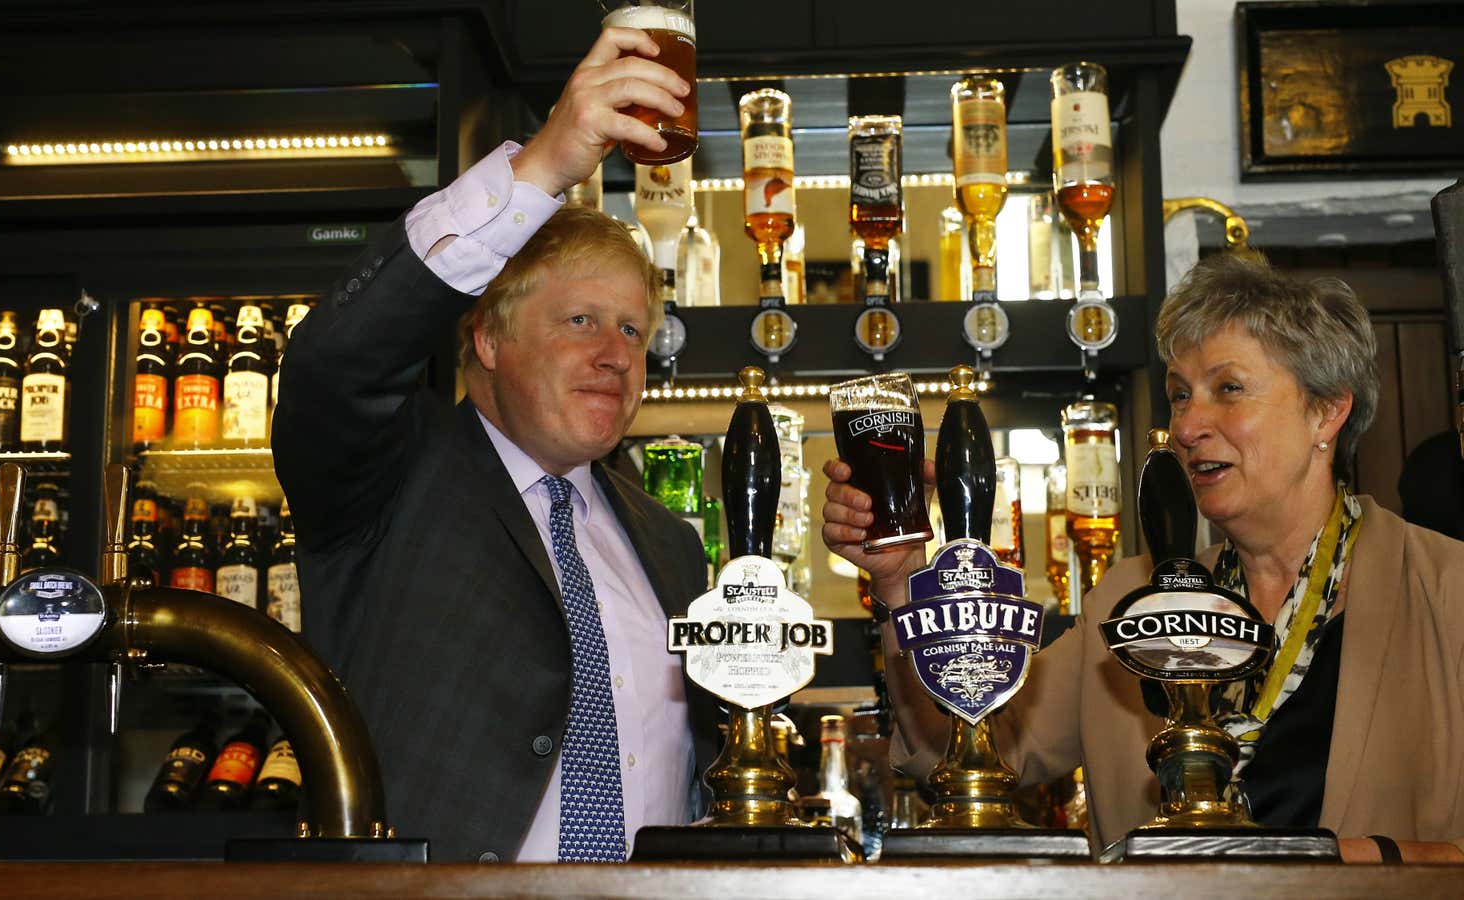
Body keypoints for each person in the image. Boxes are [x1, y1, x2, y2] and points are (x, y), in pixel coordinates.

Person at [824, 253, 1464, 862]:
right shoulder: (1130, 597)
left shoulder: (1444, 590)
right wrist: (903, 583)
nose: (1186, 427)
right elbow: (963, 753)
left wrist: (1327, 863)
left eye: (1229, 388)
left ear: (1327, 411)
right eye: (1181, 394)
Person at [273, 26, 719, 863]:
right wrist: (547, 165)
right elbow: (335, 362)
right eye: (580, 320)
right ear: (485, 339)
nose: (615, 352)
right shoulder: (390, 474)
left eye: (632, 329)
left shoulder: (672, 544)